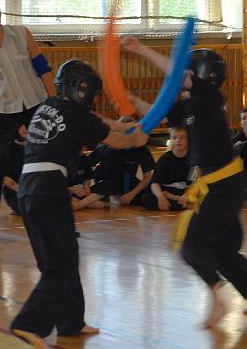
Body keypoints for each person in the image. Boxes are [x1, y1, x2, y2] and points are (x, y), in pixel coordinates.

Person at [123, 38, 247, 328]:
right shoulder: (190, 104)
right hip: (221, 185)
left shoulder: (210, 97)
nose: (182, 76)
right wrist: (133, 101)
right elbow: (158, 115)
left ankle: (217, 299)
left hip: (225, 186)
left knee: (191, 247)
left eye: (188, 72)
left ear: (201, 75)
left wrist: (141, 49)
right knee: (222, 249)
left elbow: (178, 76)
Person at [9, 59, 149, 347]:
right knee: (60, 265)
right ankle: (27, 324)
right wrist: (136, 138)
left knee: (64, 257)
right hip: (49, 190)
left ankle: (71, 321)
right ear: (80, 88)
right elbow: (117, 141)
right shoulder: (77, 116)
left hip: (30, 189)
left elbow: (100, 121)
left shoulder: (49, 105)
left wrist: (128, 126)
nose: (92, 100)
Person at [0, 0, 55, 242]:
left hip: (36, 102)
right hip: (5, 110)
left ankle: (57, 220)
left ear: (0, 15)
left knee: (49, 159)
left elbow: (42, 67)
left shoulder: (21, 33)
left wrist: (54, 100)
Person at [88, 130, 155, 205]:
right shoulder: (108, 147)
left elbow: (147, 178)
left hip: (127, 185)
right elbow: (86, 164)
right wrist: (86, 185)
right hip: (106, 185)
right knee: (104, 188)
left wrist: (132, 194)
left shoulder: (141, 149)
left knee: (151, 195)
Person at [141, 126, 192, 211]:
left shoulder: (193, 159)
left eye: (182, 137)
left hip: (186, 192)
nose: (178, 140)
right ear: (170, 140)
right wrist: (160, 197)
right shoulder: (164, 159)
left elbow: (195, 183)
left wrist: (184, 196)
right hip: (167, 191)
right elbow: (155, 183)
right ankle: (183, 206)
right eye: (174, 137)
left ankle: (177, 203)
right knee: (146, 199)